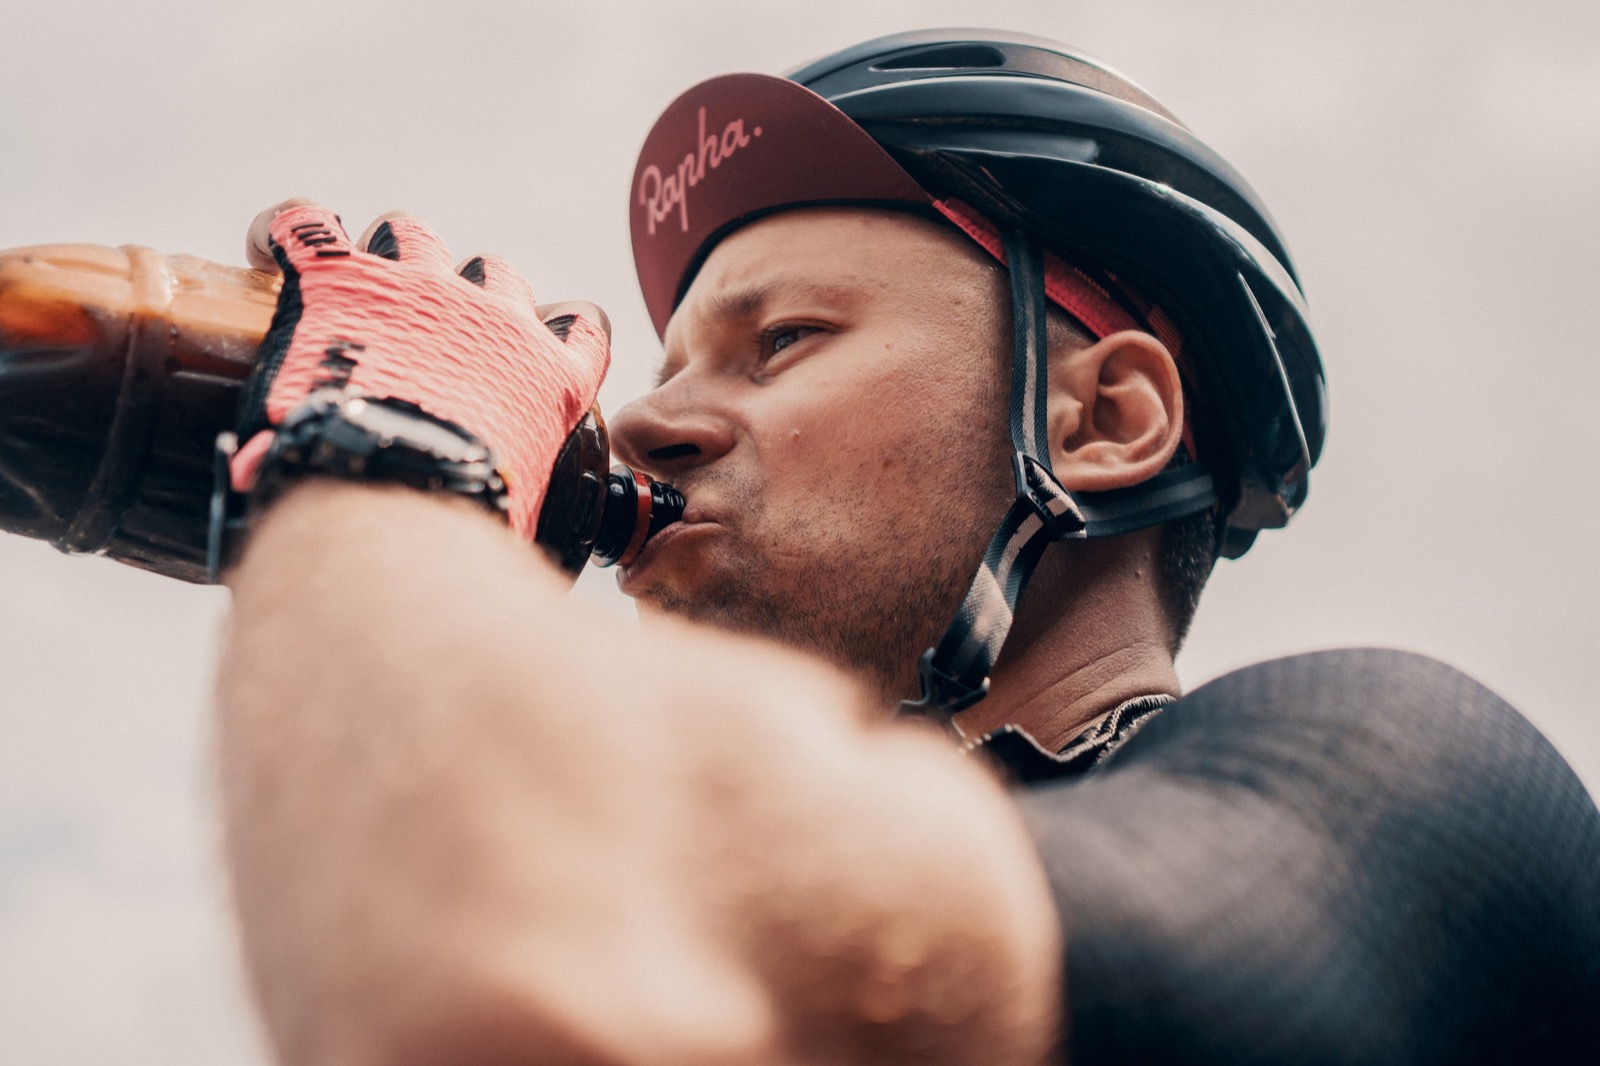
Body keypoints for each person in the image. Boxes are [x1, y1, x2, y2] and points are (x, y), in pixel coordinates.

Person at [215, 30, 1600, 1065]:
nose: (636, 419)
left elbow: (524, 978)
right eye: (669, 364)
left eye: (785, 341)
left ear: (1110, 417)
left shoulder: (1412, 782)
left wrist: (389, 455)